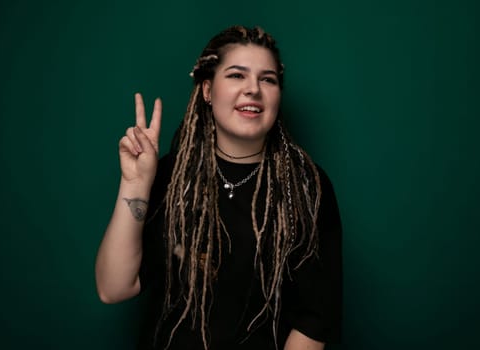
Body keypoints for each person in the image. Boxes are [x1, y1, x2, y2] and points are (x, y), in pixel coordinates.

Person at [95, 25, 342, 350]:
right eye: (237, 75)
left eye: (267, 79)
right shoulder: (171, 175)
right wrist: (135, 183)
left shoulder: (308, 186)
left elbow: (314, 323)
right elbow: (113, 288)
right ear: (208, 91)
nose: (253, 89)